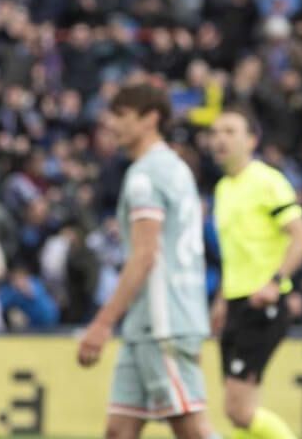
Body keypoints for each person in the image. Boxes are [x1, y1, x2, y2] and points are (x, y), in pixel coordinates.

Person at [77, 83, 214, 439]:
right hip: (151, 320)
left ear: (150, 118)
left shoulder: (145, 176)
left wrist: (102, 323)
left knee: (191, 429)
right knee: (119, 430)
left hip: (161, 319)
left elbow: (144, 255)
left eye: (122, 115)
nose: (112, 124)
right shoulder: (176, 168)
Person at [208, 108, 302, 439]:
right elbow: (235, 255)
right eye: (215, 133)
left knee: (237, 409)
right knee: (242, 411)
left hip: (262, 302)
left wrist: (275, 282)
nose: (219, 139)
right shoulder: (223, 188)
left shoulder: (267, 181)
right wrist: (221, 300)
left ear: (251, 140)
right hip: (237, 300)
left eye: (229, 131)